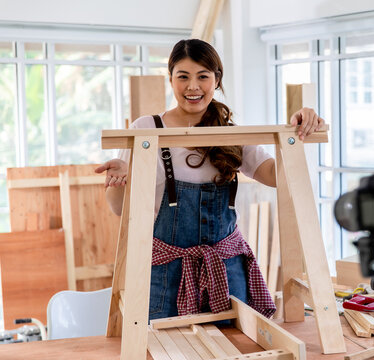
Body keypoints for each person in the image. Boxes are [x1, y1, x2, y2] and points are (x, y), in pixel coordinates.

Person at [95, 39, 324, 320]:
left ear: (216, 80)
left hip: (226, 268)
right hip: (167, 271)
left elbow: (278, 177)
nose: (193, 86)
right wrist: (120, 181)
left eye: (203, 76)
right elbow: (119, 208)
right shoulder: (146, 130)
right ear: (171, 79)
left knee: (236, 345)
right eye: (183, 77)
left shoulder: (232, 134)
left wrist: (299, 133)